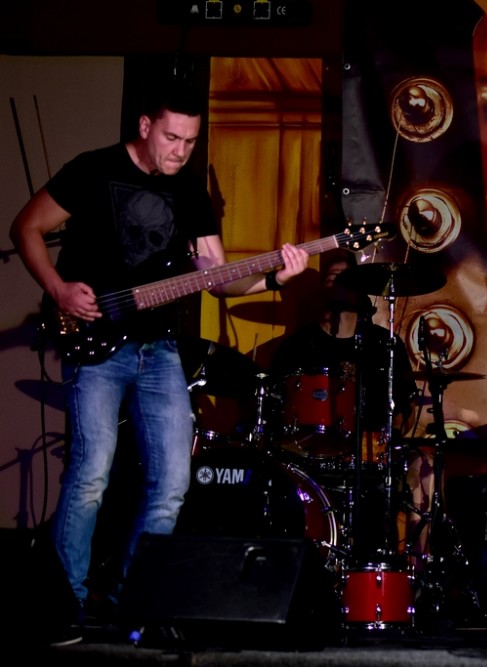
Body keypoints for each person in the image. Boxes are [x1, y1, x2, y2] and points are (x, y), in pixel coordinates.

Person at [8, 79, 309, 625]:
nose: (180, 150)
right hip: (95, 342)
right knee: (91, 473)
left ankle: (135, 604)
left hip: (159, 349)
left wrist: (273, 277)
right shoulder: (93, 168)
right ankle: (65, 603)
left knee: (172, 482)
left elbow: (218, 279)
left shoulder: (190, 193)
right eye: (172, 138)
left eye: (190, 141)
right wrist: (58, 288)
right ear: (145, 127)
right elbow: (26, 227)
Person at [268, 249, 427, 564]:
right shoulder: (296, 346)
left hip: (370, 458)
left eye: (346, 277)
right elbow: (273, 411)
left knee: (425, 470)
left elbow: (405, 406)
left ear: (360, 288)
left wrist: (388, 437)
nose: (338, 283)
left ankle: (414, 573)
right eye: (331, 277)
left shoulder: (384, 345)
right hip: (306, 459)